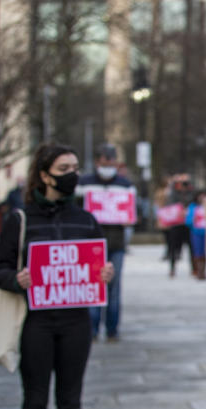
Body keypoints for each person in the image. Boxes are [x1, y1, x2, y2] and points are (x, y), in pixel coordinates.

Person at [0, 142, 114, 409]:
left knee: (69, 402)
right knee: (35, 401)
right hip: (36, 323)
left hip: (76, 321)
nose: (72, 174)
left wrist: (103, 274)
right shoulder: (20, 219)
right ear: (44, 175)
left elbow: (96, 263)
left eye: (76, 166)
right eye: (64, 168)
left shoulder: (85, 219)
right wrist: (18, 279)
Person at [77, 143, 134, 342]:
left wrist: (130, 218)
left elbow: (133, 211)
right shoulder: (84, 184)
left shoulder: (125, 185)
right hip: (91, 244)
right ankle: (91, 328)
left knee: (114, 287)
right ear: (97, 162)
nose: (108, 165)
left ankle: (112, 329)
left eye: (111, 162)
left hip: (116, 243)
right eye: (104, 162)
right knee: (93, 286)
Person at [166, 174, 193, 278]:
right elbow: (170, 203)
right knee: (174, 248)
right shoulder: (174, 193)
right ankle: (172, 268)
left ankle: (193, 268)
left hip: (188, 224)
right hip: (176, 224)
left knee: (191, 248)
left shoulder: (190, 193)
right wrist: (174, 183)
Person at [186, 190, 206, 280]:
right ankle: (199, 271)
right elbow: (188, 220)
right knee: (198, 252)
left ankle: (204, 271)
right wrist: (193, 220)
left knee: (205, 253)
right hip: (196, 232)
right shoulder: (193, 207)